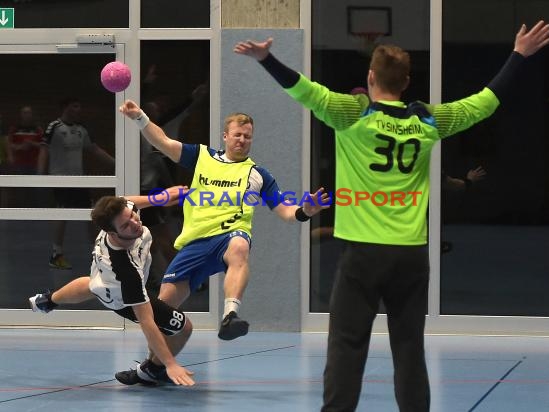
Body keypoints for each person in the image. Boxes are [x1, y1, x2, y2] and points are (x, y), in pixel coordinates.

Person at [234, 20, 549, 412]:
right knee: (409, 348)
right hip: (411, 256)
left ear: (370, 77)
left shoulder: (352, 114)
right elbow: (485, 102)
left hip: (363, 256)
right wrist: (519, 55)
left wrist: (267, 58)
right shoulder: (428, 121)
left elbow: (304, 90)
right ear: (406, 82)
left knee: (347, 347)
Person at [116, 106, 329, 348]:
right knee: (162, 312)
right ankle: (152, 367)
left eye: (247, 136)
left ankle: (230, 315)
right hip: (194, 242)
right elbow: (163, 141)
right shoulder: (202, 157)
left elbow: (286, 211)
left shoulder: (258, 174)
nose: (242, 140)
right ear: (225, 136)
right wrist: (139, 117)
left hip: (228, 236)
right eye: (237, 134)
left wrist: (305, 211)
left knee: (239, 245)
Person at [29, 188, 195, 386]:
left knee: (92, 285)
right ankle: (151, 371)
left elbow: (129, 202)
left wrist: (159, 199)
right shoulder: (126, 273)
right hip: (120, 298)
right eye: (126, 225)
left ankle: (48, 301)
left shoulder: (118, 214)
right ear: (111, 232)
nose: (135, 222)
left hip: (102, 278)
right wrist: (170, 363)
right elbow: (146, 321)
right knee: (184, 328)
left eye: (133, 216)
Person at [37, 97, 115, 270]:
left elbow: (94, 149)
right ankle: (56, 255)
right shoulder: (54, 127)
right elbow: (44, 149)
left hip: (79, 180)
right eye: (75, 106)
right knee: (62, 214)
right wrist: (39, 174)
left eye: (80, 106)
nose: (79, 109)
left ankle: (99, 253)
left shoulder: (81, 130)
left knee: (91, 214)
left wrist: (117, 163)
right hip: (60, 179)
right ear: (66, 107)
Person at [6, 105, 43, 175]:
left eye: (29, 113)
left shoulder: (37, 129)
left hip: (34, 164)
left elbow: (43, 145)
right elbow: (9, 144)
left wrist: (32, 143)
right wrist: (20, 147)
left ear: (32, 115)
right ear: (21, 115)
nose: (27, 115)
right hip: (18, 164)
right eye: (25, 113)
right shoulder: (14, 129)